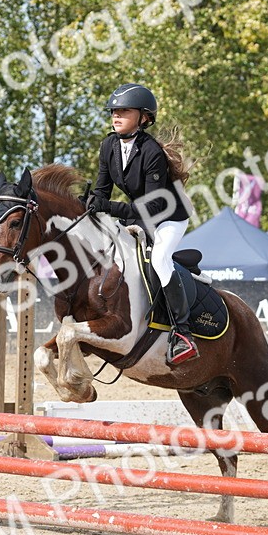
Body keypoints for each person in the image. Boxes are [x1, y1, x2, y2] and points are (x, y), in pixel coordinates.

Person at [86, 82, 197, 365]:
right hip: (138, 213)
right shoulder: (109, 146)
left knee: (159, 259)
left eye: (124, 111)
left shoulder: (151, 152)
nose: (116, 115)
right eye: (114, 111)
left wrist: (109, 207)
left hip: (169, 216)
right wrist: (87, 204)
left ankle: (182, 333)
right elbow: (102, 191)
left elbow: (154, 207)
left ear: (144, 117)